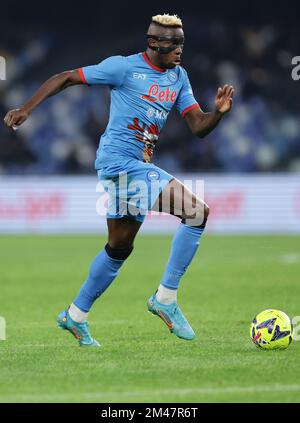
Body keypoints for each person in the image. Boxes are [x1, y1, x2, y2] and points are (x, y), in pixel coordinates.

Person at [4, 13, 234, 347]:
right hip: (119, 163)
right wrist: (26, 108)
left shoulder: (179, 77)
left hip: (135, 167)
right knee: (197, 212)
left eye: (182, 43)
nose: (180, 50)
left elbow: (198, 126)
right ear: (154, 42)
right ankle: (165, 299)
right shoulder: (123, 67)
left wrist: (218, 114)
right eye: (173, 43)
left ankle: (75, 316)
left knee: (119, 248)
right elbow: (66, 77)